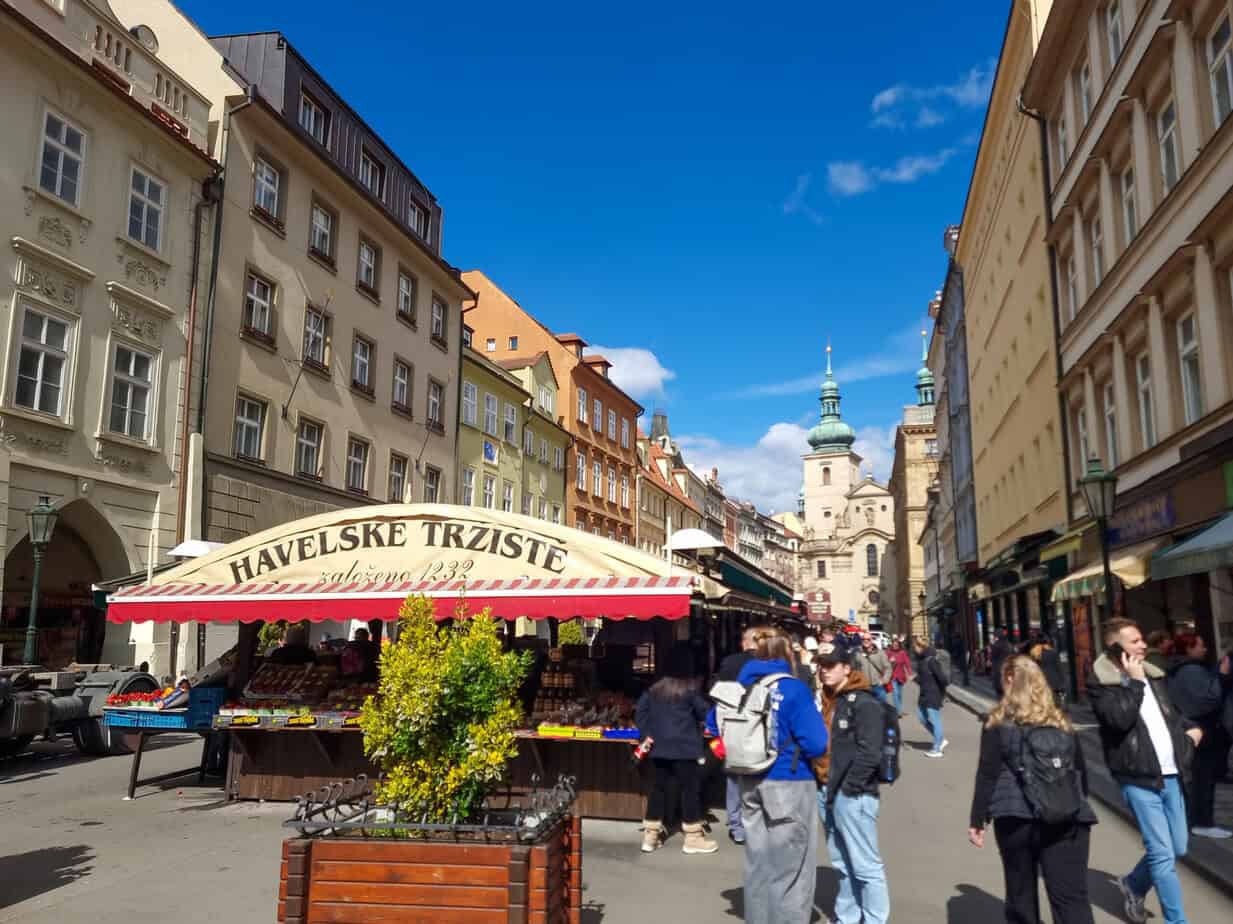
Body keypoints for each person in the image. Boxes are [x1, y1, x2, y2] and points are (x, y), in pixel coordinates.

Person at [1087, 618, 1202, 924]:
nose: (1143, 645)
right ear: (1116, 647)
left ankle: (1134, 883)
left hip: (1171, 775)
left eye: (1142, 639)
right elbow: (1118, 721)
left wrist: (1191, 732)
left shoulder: (1155, 675)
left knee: (1177, 846)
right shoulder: (1102, 682)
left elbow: (1172, 716)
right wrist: (1135, 683)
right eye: (1135, 641)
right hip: (1137, 777)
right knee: (1162, 855)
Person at [712, 627, 828, 924]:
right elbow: (816, 743)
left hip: (748, 779)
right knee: (791, 866)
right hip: (789, 779)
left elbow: (713, 725)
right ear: (787, 654)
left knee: (758, 860)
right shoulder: (793, 689)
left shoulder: (739, 688)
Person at [969, 656, 1097, 924]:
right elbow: (1081, 773)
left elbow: (987, 773)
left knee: (1021, 896)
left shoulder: (997, 722)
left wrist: (977, 819)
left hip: (1016, 816)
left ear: (1008, 682)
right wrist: (1076, 802)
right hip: (1068, 815)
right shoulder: (1062, 721)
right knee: (1071, 900)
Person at [815, 642, 890, 924]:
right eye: (821, 665)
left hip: (852, 794)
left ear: (847, 668)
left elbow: (870, 751)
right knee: (841, 863)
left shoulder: (864, 702)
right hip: (827, 789)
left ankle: (874, 919)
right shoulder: (828, 698)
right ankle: (847, 917)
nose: (824, 671)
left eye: (830, 665)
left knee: (865, 865)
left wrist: (850, 787)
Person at [635, 644, 716, 855]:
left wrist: (647, 734)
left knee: (658, 789)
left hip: (659, 747)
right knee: (689, 791)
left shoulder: (654, 689)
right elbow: (705, 713)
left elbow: (640, 713)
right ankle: (693, 837)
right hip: (685, 748)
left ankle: (650, 836)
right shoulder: (689, 690)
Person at [1166, 632, 1232, 839]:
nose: (1204, 649)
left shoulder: (1177, 670)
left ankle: (1196, 820)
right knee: (1203, 777)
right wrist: (1221, 675)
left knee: (1198, 776)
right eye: (1200, 645)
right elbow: (1208, 699)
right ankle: (1201, 821)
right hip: (1201, 730)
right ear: (1189, 648)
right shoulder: (1191, 671)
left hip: (1190, 728)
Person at [715, 626, 759, 845]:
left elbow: (720, 695)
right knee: (757, 775)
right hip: (760, 726)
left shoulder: (729, 662)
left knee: (733, 778)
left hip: (733, 724)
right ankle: (754, 821)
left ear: (744, 642)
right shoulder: (769, 663)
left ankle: (736, 824)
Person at [913, 637, 949, 757]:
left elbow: (943, 679)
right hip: (924, 694)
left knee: (935, 719)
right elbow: (924, 677)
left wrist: (940, 692)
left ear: (920, 646)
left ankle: (937, 749)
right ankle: (940, 739)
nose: (914, 649)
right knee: (921, 717)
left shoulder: (931, 660)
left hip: (932, 694)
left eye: (915, 646)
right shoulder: (922, 659)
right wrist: (916, 679)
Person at [853, 634, 892, 704]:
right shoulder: (858, 654)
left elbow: (888, 668)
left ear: (871, 640)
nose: (866, 641)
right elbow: (854, 669)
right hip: (864, 687)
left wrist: (884, 680)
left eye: (868, 639)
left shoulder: (880, 653)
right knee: (868, 709)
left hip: (878, 686)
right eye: (864, 639)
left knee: (882, 707)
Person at [1030, 636, 1067, 708]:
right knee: (1054, 701)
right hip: (1054, 680)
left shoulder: (1034, 654)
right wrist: (1062, 681)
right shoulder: (1053, 652)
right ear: (1047, 642)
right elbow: (1059, 667)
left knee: (1042, 700)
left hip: (1040, 679)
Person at [887, 638, 912, 718]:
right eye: (894, 644)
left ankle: (899, 709)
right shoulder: (888, 653)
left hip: (901, 677)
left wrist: (910, 673)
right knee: (895, 694)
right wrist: (889, 662)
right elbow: (884, 664)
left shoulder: (902, 653)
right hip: (893, 677)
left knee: (900, 695)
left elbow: (907, 663)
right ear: (891, 645)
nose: (895, 646)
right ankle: (898, 712)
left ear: (899, 645)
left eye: (897, 645)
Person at [991, 630, 1014, 698]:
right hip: (1008, 667)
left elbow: (993, 655)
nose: (994, 637)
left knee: (1000, 689)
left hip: (999, 668)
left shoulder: (996, 645)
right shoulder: (1009, 644)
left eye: (994, 636)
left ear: (997, 636)